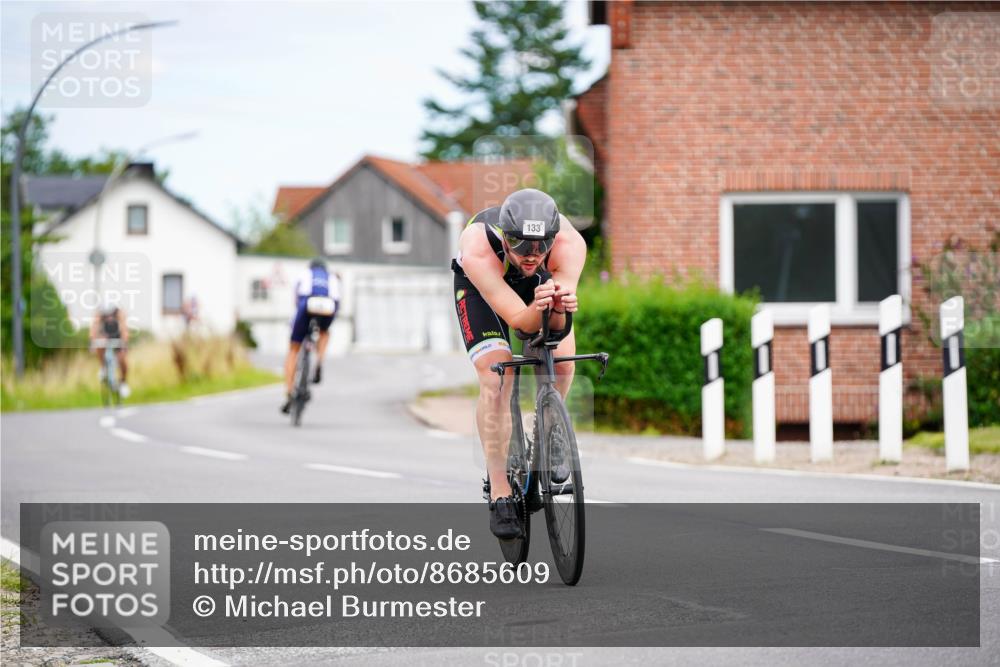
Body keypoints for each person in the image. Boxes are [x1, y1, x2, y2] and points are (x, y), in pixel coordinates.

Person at [452, 188, 586, 539]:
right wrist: (536, 309)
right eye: (522, 245)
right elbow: (521, 323)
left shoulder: (568, 244)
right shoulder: (479, 245)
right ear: (505, 237)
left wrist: (557, 303)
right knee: (498, 378)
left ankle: (550, 431)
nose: (533, 255)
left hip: (538, 288)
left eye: (542, 245)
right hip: (483, 288)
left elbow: (558, 322)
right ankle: (499, 490)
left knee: (563, 363)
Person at [281, 258, 340, 414]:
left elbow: (297, 299)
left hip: (307, 304)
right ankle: (319, 362)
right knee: (325, 332)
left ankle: (289, 392)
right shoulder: (332, 277)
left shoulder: (305, 273)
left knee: (293, 349)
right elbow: (337, 302)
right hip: (328, 306)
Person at [89, 303, 130, 398]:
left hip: (117, 336)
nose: (109, 317)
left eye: (111, 315)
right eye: (106, 315)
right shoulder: (99, 314)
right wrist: (92, 341)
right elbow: (94, 328)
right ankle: (103, 367)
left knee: (123, 359)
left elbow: (124, 330)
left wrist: (124, 343)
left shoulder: (120, 313)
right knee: (99, 344)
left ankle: (123, 382)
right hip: (105, 336)